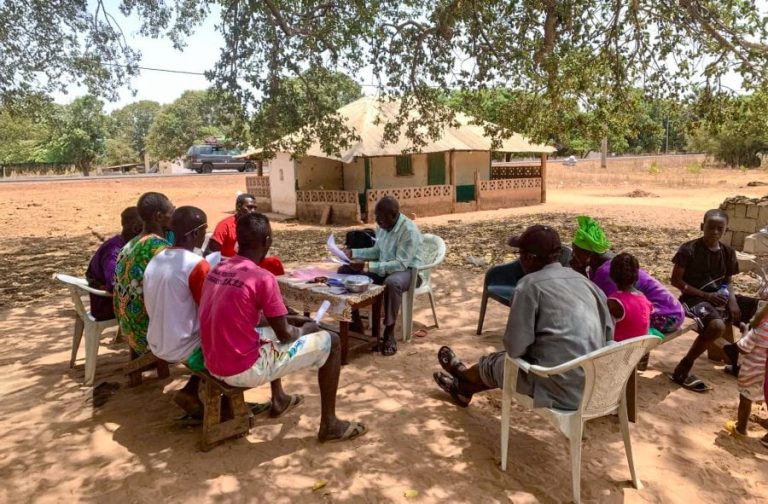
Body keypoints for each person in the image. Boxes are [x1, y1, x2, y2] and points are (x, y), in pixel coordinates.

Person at [198, 213, 367, 442]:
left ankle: (279, 398)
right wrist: (305, 330)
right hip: (241, 369)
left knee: (268, 335)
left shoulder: (219, 268)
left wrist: (293, 320)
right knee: (332, 342)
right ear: (267, 241)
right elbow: (286, 335)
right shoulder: (262, 277)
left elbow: (250, 319)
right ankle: (330, 424)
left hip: (212, 361)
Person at [433, 225, 613, 410]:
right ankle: (463, 389)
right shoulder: (587, 284)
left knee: (499, 363)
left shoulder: (528, 286)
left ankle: (461, 376)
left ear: (528, 258)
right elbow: (609, 334)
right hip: (596, 387)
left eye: (520, 255)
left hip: (558, 389)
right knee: (514, 361)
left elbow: (515, 349)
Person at [670, 209, 758, 392]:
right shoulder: (689, 250)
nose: (715, 232)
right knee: (717, 326)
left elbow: (727, 281)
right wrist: (707, 296)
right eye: (711, 227)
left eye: (720, 229)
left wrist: (732, 301)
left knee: (759, 310)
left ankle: (739, 357)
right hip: (693, 299)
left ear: (726, 230)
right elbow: (676, 281)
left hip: (719, 297)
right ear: (702, 226)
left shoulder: (728, 253)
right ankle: (684, 366)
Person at [144, 206, 210, 417]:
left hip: (156, 340)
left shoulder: (157, 258)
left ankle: (192, 389)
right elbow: (210, 311)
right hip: (183, 346)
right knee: (230, 335)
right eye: (205, 230)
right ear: (195, 233)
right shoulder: (197, 265)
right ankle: (226, 402)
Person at [570, 215, 685, 334]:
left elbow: (600, 305)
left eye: (576, 251)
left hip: (668, 316)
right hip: (670, 310)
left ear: (590, 255)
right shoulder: (597, 267)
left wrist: (580, 272)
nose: (573, 255)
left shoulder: (607, 272)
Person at [341, 196, 423, 356]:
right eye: (376, 217)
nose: (377, 221)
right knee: (346, 271)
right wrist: (353, 253)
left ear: (393, 215)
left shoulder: (409, 231)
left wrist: (368, 266)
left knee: (392, 282)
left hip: (409, 272)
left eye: (380, 217)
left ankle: (389, 333)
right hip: (385, 267)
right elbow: (376, 251)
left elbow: (400, 264)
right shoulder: (383, 227)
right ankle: (355, 321)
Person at [113, 192, 174, 356]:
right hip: (147, 334)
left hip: (128, 330)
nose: (174, 216)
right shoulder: (159, 248)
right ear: (158, 216)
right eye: (172, 212)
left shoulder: (129, 245)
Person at [205, 193, 285, 276]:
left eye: (255, 208)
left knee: (275, 263)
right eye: (249, 207)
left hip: (251, 263)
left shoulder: (255, 225)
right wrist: (229, 262)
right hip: (231, 265)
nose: (253, 211)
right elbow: (211, 252)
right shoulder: (225, 225)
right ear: (238, 207)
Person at [723, 303, 768, 448]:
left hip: (754, 372)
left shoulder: (761, 328)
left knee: (746, 399)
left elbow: (743, 348)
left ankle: (741, 429)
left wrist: (746, 331)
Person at [85, 207, 142, 321]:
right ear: (136, 228)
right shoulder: (114, 250)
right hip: (106, 306)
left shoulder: (128, 246)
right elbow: (115, 284)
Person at [607, 253, 652, 342]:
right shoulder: (643, 298)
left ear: (612, 275)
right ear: (637, 276)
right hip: (640, 347)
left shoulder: (613, 302)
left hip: (620, 348)